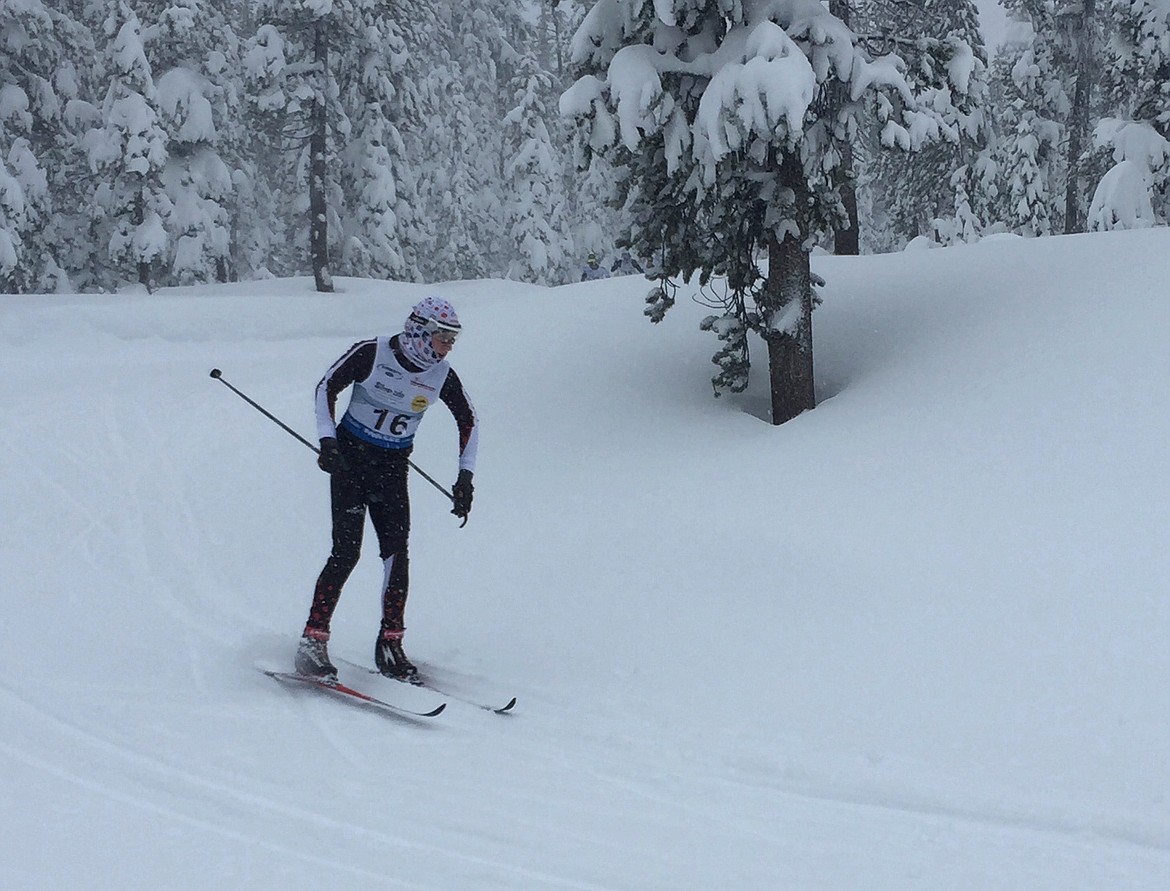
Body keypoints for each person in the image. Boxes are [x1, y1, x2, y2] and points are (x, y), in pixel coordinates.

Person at [294, 296, 479, 684]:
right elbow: (326, 386)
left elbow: (469, 421)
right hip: (350, 462)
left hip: (392, 468)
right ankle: (313, 639)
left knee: (397, 554)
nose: (448, 347)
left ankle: (390, 644)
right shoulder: (373, 353)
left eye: (453, 340)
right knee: (346, 551)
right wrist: (328, 441)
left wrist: (465, 477)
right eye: (444, 338)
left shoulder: (441, 374)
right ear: (422, 332)